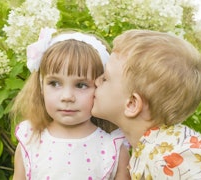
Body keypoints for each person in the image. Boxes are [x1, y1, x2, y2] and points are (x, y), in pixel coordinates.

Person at [91, 29, 201, 179]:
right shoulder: (156, 146)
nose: (96, 82)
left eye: (105, 78)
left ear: (132, 104)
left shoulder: (172, 157)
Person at [11, 27, 130, 180]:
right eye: (54, 83)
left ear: (100, 88)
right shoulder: (30, 142)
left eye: (81, 85)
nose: (67, 97)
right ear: (41, 86)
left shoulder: (112, 149)